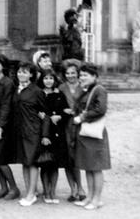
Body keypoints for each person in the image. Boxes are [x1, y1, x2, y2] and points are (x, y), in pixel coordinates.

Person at [72, 63, 110, 210]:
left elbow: (100, 109)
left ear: (94, 77)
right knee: (88, 166)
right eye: (80, 75)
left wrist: (82, 118)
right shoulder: (85, 90)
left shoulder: (99, 90)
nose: (81, 77)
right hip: (85, 132)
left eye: (85, 75)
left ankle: (97, 199)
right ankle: (89, 196)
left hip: (94, 132)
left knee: (96, 167)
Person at [12, 62, 49, 207]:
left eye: (25, 72)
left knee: (32, 162)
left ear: (31, 75)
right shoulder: (16, 90)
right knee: (24, 162)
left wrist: (45, 135)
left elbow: (45, 114)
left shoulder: (37, 91)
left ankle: (31, 194)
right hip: (19, 131)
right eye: (19, 71)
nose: (21, 74)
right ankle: (29, 191)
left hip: (33, 131)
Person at [0, 54, 20, 200]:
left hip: (3, 124)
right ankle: (3, 188)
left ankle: (14, 188)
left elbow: (6, 106)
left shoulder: (8, 83)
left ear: (3, 67)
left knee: (0, 158)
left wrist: (0, 127)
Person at [37, 69, 70, 204]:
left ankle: (53, 192)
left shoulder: (59, 94)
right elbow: (34, 110)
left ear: (55, 80)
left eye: (51, 78)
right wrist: (41, 115)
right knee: (45, 163)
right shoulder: (38, 94)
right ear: (42, 80)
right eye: (46, 78)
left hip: (56, 131)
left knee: (55, 163)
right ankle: (46, 191)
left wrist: (60, 116)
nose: (48, 81)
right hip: (43, 131)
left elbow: (66, 111)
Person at [58, 62, 87, 202]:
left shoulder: (84, 87)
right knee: (67, 159)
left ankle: (80, 187)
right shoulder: (61, 88)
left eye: (73, 73)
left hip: (80, 125)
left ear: (77, 73)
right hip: (65, 126)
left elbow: (90, 105)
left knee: (76, 158)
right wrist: (62, 111)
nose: (70, 76)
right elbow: (55, 105)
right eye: (68, 73)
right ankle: (73, 189)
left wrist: (79, 113)